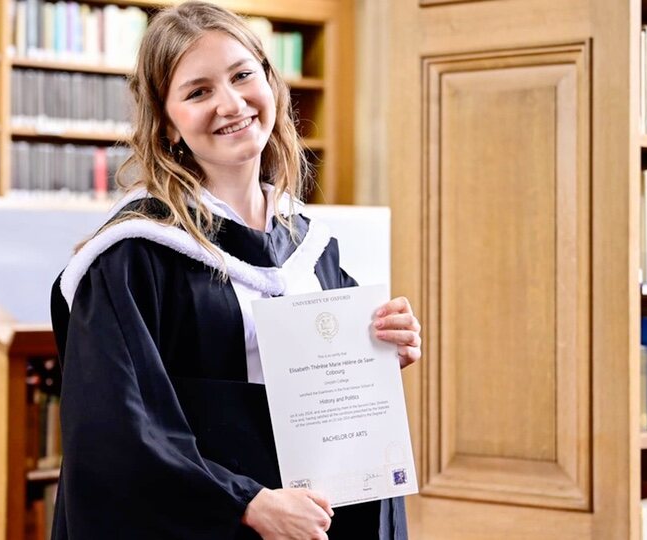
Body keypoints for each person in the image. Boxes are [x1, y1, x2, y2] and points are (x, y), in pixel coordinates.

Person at [49, 2, 421, 538]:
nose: (231, 103)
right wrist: (245, 504)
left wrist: (386, 346)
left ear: (270, 84)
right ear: (168, 123)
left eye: (243, 75)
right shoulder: (133, 256)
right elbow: (115, 434)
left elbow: (343, 384)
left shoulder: (306, 244)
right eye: (198, 92)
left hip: (322, 519)